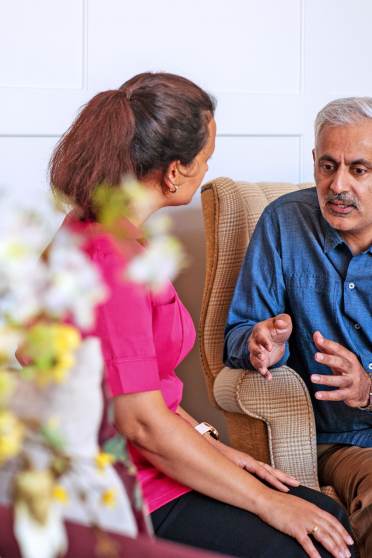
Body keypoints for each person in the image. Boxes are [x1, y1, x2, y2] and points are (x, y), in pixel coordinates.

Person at [50, 73, 355, 558]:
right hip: (124, 488)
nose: (209, 167)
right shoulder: (114, 263)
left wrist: (218, 448)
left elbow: (141, 391)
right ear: (175, 172)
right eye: (205, 158)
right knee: (311, 539)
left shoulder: (94, 229)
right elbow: (143, 425)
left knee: (325, 516)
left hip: (142, 463)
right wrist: (265, 503)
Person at [224, 96, 372, 558]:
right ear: (313, 162)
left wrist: (368, 388)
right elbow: (237, 335)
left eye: (359, 170)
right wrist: (258, 343)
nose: (338, 185)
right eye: (328, 166)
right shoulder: (284, 224)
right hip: (345, 443)